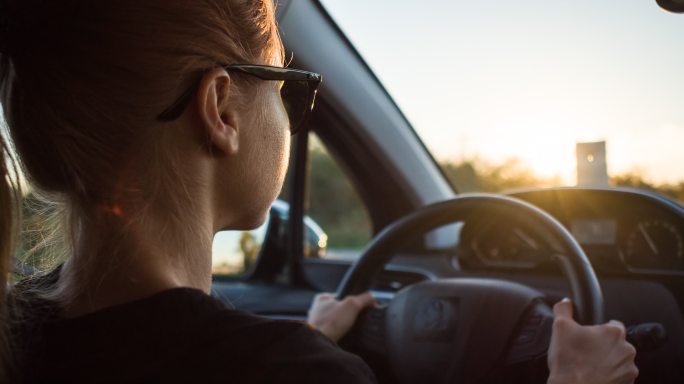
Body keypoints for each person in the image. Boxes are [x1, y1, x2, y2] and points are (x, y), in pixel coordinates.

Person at [0, 1, 637, 383]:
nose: (290, 112)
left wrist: (312, 339)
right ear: (221, 107)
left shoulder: (18, 332)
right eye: (287, 88)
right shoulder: (294, 375)